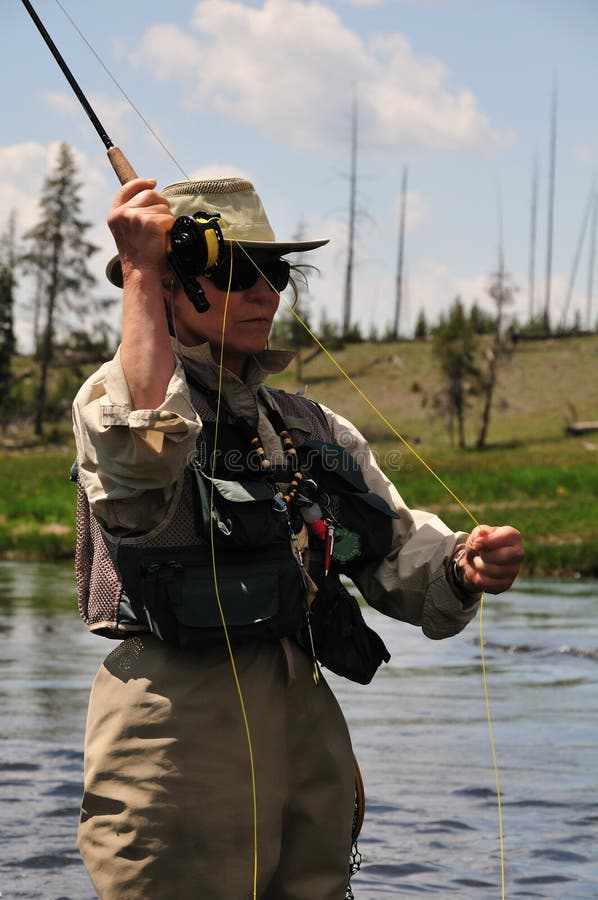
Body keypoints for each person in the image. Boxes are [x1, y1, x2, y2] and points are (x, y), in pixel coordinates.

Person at [72, 175, 524, 900]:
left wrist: (463, 564)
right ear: (166, 284)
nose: (266, 294)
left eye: (275, 273)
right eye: (235, 273)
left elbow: (396, 552)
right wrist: (139, 269)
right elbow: (144, 448)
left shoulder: (311, 427)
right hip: (174, 737)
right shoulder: (113, 402)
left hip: (306, 732)